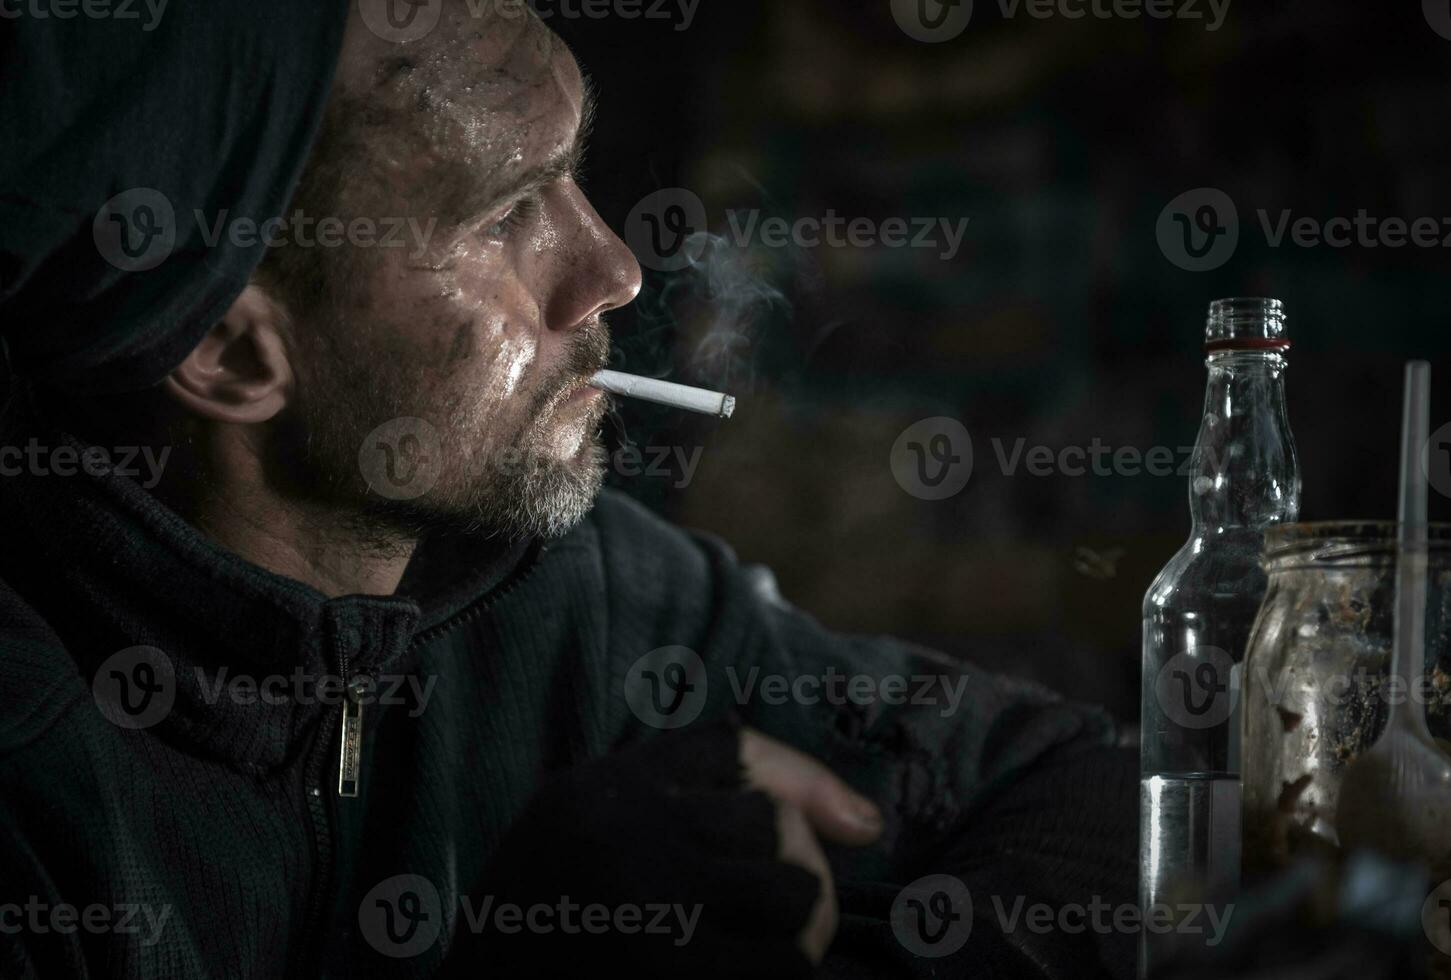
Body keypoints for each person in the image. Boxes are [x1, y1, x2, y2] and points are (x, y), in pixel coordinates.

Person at [0, 2, 1136, 976]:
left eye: (573, 173)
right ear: (233, 353)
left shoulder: (565, 591)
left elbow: (1091, 792)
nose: (612, 270)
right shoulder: (36, 775)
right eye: (504, 215)